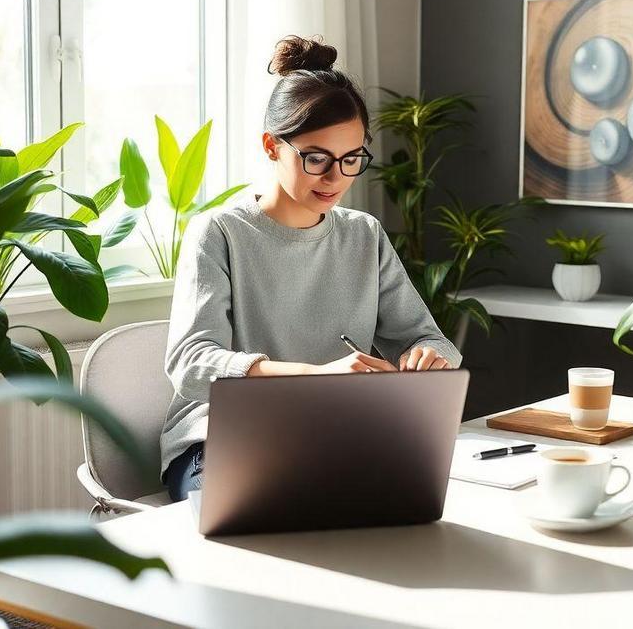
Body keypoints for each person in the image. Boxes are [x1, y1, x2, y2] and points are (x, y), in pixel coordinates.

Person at [160, 35, 462, 502]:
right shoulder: (219, 233)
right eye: (316, 158)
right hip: (222, 443)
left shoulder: (364, 235)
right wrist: (314, 374)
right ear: (271, 146)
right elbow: (191, 364)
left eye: (351, 159)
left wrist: (428, 355)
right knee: (282, 526)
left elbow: (431, 339)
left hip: (334, 436)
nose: (335, 177)